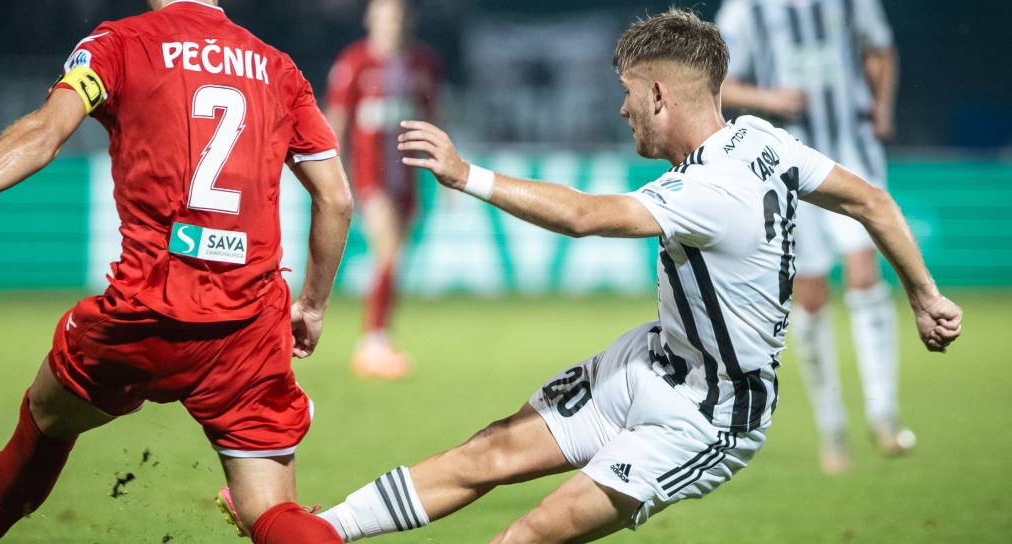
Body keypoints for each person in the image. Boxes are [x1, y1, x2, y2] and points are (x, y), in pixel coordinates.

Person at [311, 9, 960, 543]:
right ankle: (320, 531)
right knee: (488, 453)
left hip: (707, 416)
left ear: (657, 95)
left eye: (627, 93)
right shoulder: (762, 139)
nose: (623, 110)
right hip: (650, 362)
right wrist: (924, 295)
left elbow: (583, 216)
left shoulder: (708, 190)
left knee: (527, 536)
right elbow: (872, 200)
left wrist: (467, 175)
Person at [0, 1, 353, 543]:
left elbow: (45, 133)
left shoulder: (120, 44)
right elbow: (337, 199)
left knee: (47, 414)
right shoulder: (277, 67)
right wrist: (313, 306)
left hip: (147, 312)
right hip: (247, 326)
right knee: (270, 511)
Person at [715, 0, 906, 473]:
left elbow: (881, 49)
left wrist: (882, 108)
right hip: (787, 163)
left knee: (864, 272)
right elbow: (717, 82)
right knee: (812, 297)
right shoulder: (745, 10)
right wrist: (768, 100)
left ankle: (884, 414)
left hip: (852, 149)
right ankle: (832, 428)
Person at [325, 0, 441, 379]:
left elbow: (433, 118)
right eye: (386, 16)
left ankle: (381, 337)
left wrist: (445, 175)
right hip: (369, 177)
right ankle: (371, 343)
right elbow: (338, 122)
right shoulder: (354, 63)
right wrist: (333, 175)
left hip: (407, 177)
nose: (392, 24)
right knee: (388, 250)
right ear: (370, 19)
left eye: (399, 16)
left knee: (394, 258)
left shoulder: (422, 63)